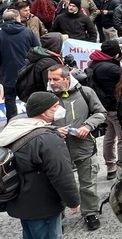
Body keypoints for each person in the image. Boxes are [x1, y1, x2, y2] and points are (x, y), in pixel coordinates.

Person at [0, 91, 81, 237]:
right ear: (43, 112)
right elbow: (62, 174)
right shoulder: (47, 139)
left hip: (20, 201)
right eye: (55, 106)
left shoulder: (14, 128)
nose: (60, 109)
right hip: (43, 205)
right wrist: (73, 201)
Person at [47, 64, 107, 231]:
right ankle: (57, 215)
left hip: (84, 146)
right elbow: (37, 121)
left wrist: (88, 126)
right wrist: (54, 130)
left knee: (87, 183)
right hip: (56, 150)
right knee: (56, 184)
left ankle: (90, 213)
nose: (51, 83)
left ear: (67, 79)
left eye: (55, 79)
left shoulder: (85, 92)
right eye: (49, 79)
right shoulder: (46, 97)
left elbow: (101, 113)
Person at [87, 39, 122, 180]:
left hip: (104, 106)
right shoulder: (109, 68)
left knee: (110, 136)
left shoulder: (96, 62)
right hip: (114, 106)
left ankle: (111, 167)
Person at [0, 9, 40, 119]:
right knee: (30, 97)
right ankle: (33, 120)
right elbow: (37, 50)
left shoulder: (1, 34)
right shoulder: (28, 32)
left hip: (7, 72)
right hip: (26, 71)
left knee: (9, 98)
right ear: (17, 18)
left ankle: (11, 121)